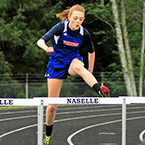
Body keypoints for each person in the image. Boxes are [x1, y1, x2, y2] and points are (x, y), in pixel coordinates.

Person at [37, 4, 110, 145]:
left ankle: (99, 90)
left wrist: (90, 71)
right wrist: (46, 48)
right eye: (75, 18)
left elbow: (91, 51)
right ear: (69, 17)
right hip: (56, 64)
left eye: (81, 19)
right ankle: (48, 136)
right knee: (52, 107)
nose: (78, 22)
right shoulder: (60, 27)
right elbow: (40, 41)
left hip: (72, 61)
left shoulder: (84, 33)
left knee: (79, 68)